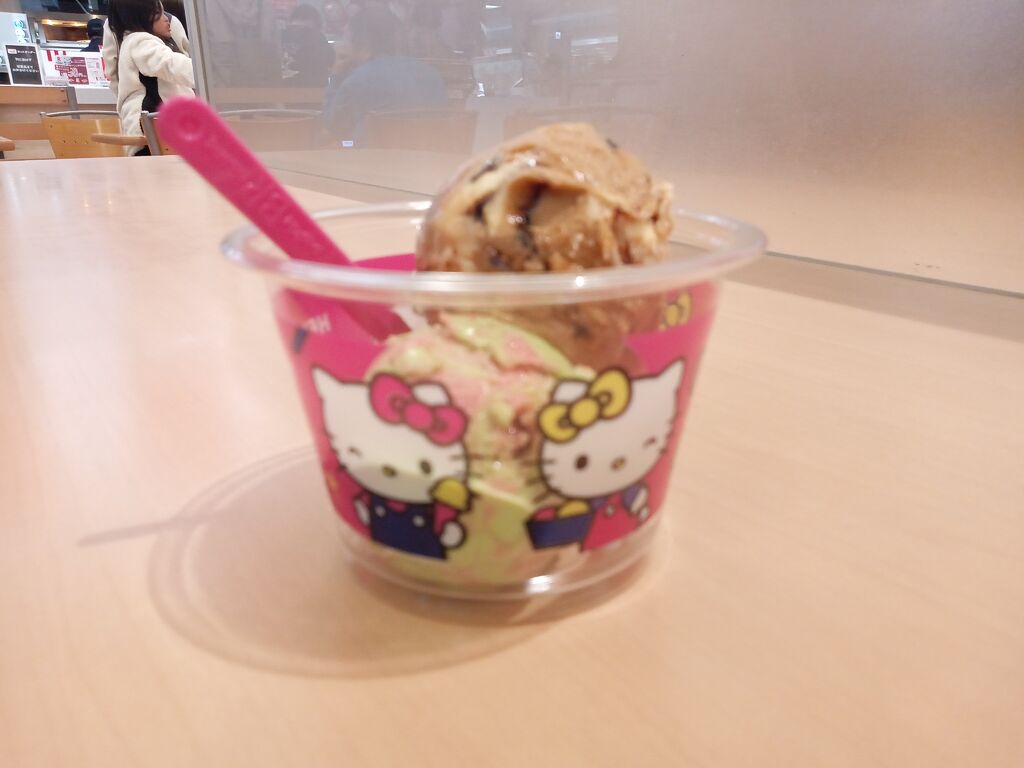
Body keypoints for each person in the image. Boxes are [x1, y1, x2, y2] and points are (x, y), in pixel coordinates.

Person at [322, 4, 447, 144]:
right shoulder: (432, 76)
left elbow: (331, 129)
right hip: (430, 155)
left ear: (363, 45)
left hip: (373, 157)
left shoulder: (357, 81)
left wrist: (337, 74)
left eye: (348, 42)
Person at [107, 0, 195, 155]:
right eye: (158, 13)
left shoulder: (135, 42)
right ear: (142, 17)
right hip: (150, 131)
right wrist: (206, 75)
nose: (167, 18)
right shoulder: (140, 42)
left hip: (152, 130)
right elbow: (170, 64)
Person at [281, 5, 335, 86]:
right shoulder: (319, 38)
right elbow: (332, 63)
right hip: (314, 89)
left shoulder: (279, 37)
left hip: (276, 89)